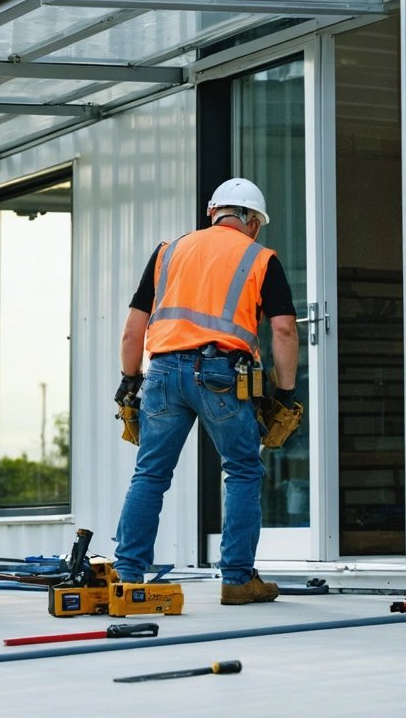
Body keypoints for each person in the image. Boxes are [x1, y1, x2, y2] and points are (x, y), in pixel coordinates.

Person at [113, 178, 300, 605]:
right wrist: (285, 393)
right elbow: (284, 329)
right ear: (252, 221)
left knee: (150, 474)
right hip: (222, 374)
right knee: (243, 471)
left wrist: (130, 380)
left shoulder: (168, 252)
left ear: (214, 213)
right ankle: (236, 579)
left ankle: (127, 574)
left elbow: (132, 331)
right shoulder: (260, 257)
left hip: (161, 372)